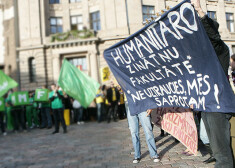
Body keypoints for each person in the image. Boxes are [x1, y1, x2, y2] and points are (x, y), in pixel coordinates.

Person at [191, 0, 234, 167]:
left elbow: (213, 36)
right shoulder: (203, 55)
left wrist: (200, 11)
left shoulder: (220, 49)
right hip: (208, 106)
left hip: (219, 106)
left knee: (222, 155)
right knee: (215, 149)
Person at [125, 95, 160, 164]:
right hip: (131, 106)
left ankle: (154, 154)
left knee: (148, 131)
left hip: (144, 105)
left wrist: (150, 106)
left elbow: (147, 89)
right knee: (134, 133)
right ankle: (137, 156)